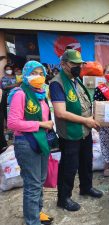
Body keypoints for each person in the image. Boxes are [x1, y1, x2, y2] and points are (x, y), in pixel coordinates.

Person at [49, 49, 102, 212]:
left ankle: (86, 187)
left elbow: (85, 105)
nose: (78, 67)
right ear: (64, 64)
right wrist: (86, 120)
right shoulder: (57, 83)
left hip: (84, 131)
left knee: (86, 162)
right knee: (69, 166)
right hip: (70, 134)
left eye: (80, 64)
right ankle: (63, 198)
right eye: (74, 64)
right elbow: (60, 112)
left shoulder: (76, 80)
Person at [7, 61, 54, 225]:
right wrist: (41, 124)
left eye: (41, 73)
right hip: (26, 143)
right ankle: (32, 221)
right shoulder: (20, 93)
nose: (39, 77)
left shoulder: (41, 93)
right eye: (34, 73)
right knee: (32, 184)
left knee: (39, 181)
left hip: (40, 141)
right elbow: (12, 123)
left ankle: (37, 212)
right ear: (26, 74)